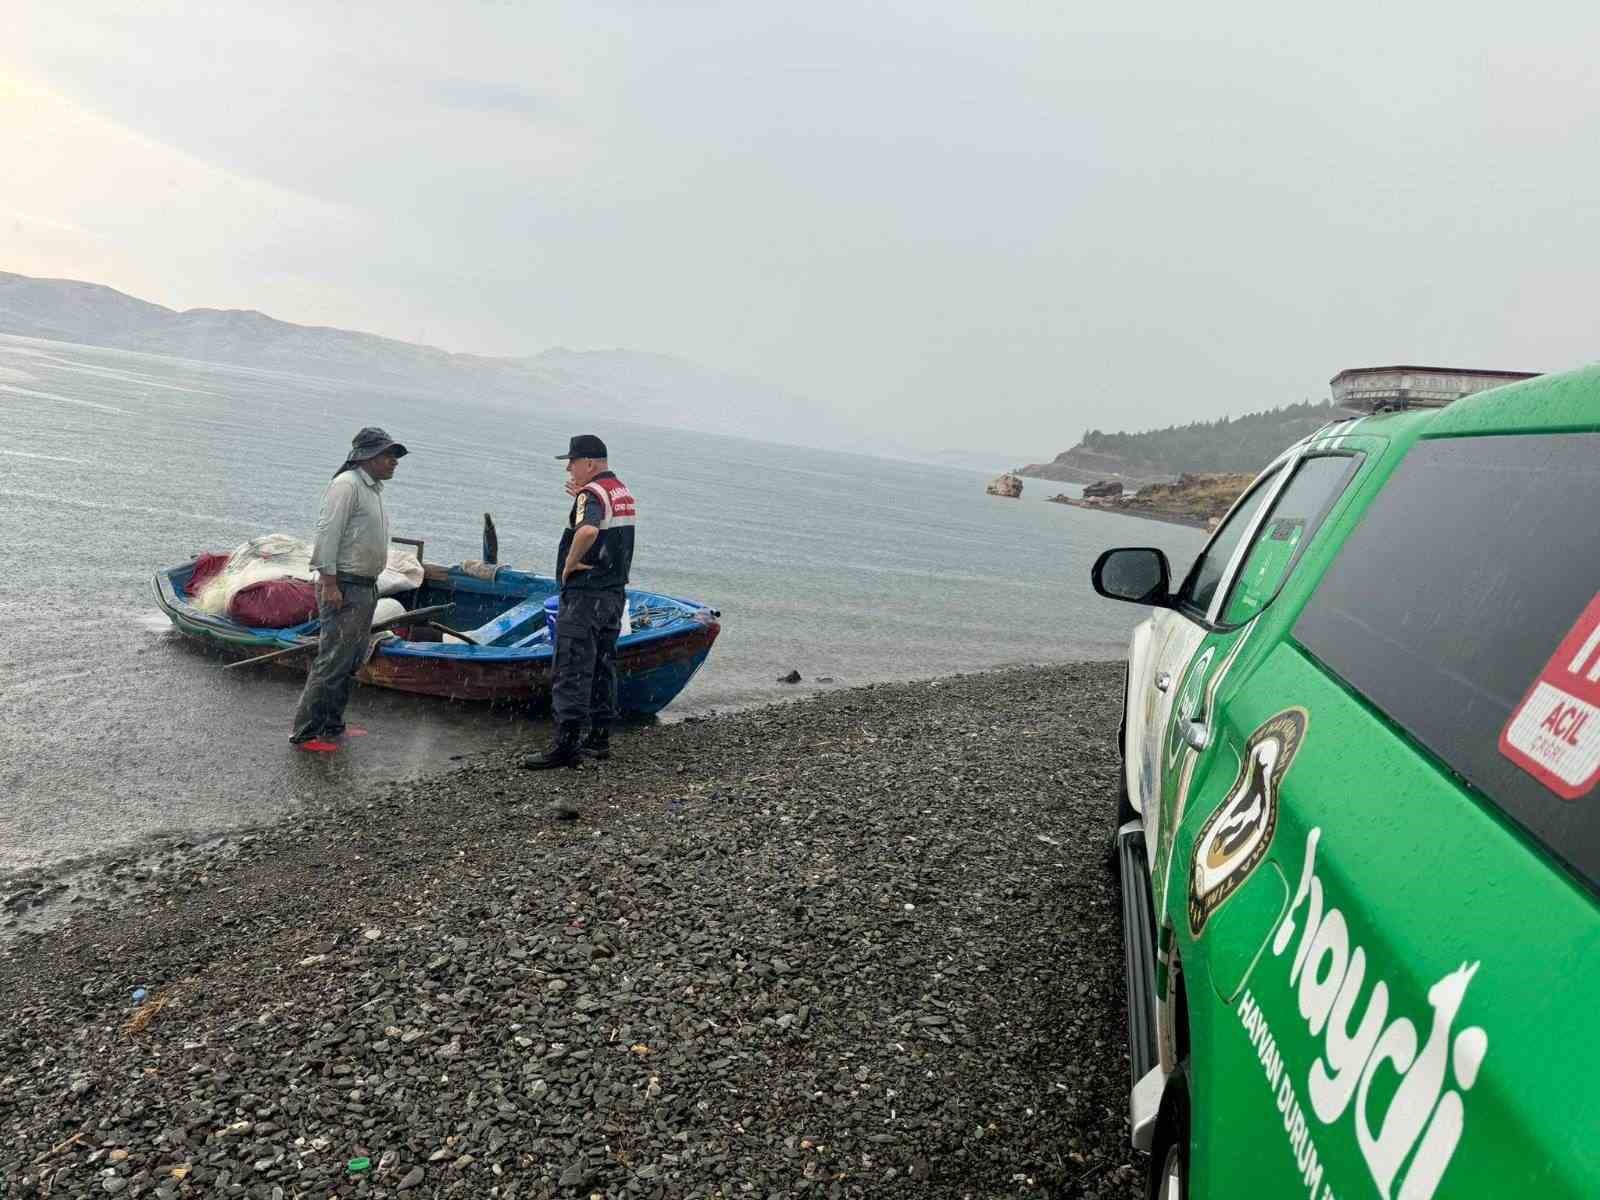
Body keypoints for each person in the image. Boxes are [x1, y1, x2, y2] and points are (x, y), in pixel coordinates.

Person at [289, 427, 408, 751]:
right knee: (333, 659)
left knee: (352, 658)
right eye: (388, 455)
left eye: (394, 456)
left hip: (365, 585)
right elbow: (327, 534)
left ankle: (332, 723)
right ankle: (306, 732)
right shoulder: (347, 485)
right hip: (344, 584)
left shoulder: (372, 489)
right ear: (367, 457)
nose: (394, 461)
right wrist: (329, 583)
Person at [523, 433, 636, 772]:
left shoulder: (592, 494)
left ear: (589, 463)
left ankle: (566, 746)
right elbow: (603, 523)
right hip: (613, 595)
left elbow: (587, 532)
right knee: (603, 665)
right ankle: (599, 738)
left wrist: (570, 564)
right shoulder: (619, 490)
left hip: (586, 596)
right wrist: (582, 499)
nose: (569, 470)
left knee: (572, 668)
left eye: (572, 463)